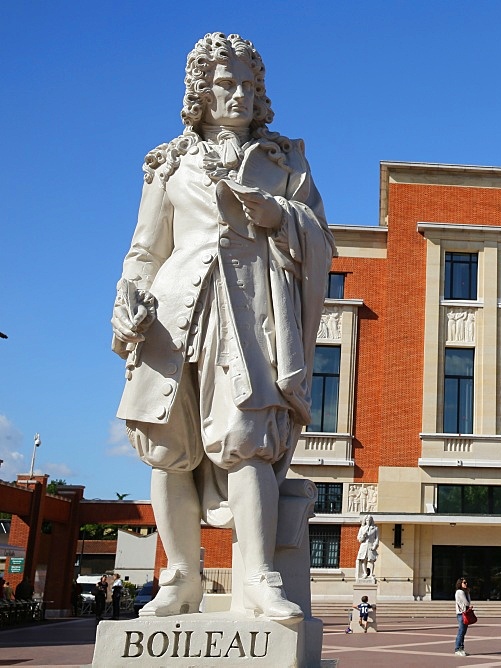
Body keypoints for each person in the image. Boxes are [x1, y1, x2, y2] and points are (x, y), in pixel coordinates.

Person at [110, 33, 335, 622]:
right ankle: (180, 575)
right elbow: (143, 250)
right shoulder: (168, 162)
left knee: (249, 438)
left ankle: (258, 577)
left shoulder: (285, 159)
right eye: (224, 84)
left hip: (249, 312)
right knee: (166, 446)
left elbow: (322, 239)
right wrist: (128, 300)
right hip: (171, 311)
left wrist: (279, 215)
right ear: (201, 92)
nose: (237, 94)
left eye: (247, 85)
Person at [356, 515, 380, 582]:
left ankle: (371, 574)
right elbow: (359, 539)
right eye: (367, 520)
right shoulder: (362, 528)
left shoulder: (375, 528)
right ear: (365, 521)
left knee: (371, 560)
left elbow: (377, 539)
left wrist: (374, 546)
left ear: (371, 520)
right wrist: (363, 535)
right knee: (364, 560)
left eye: (369, 520)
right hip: (364, 546)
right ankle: (365, 573)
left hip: (371, 546)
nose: (368, 521)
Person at [455, 577, 473, 657]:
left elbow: (468, 601)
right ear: (460, 584)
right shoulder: (459, 592)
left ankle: (461, 648)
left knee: (463, 632)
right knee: (461, 632)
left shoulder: (465, 592)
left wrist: (468, 593)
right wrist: (470, 605)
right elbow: (466, 602)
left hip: (465, 613)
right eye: (464, 582)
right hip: (461, 613)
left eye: (466, 582)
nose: (466, 584)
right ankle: (457, 648)